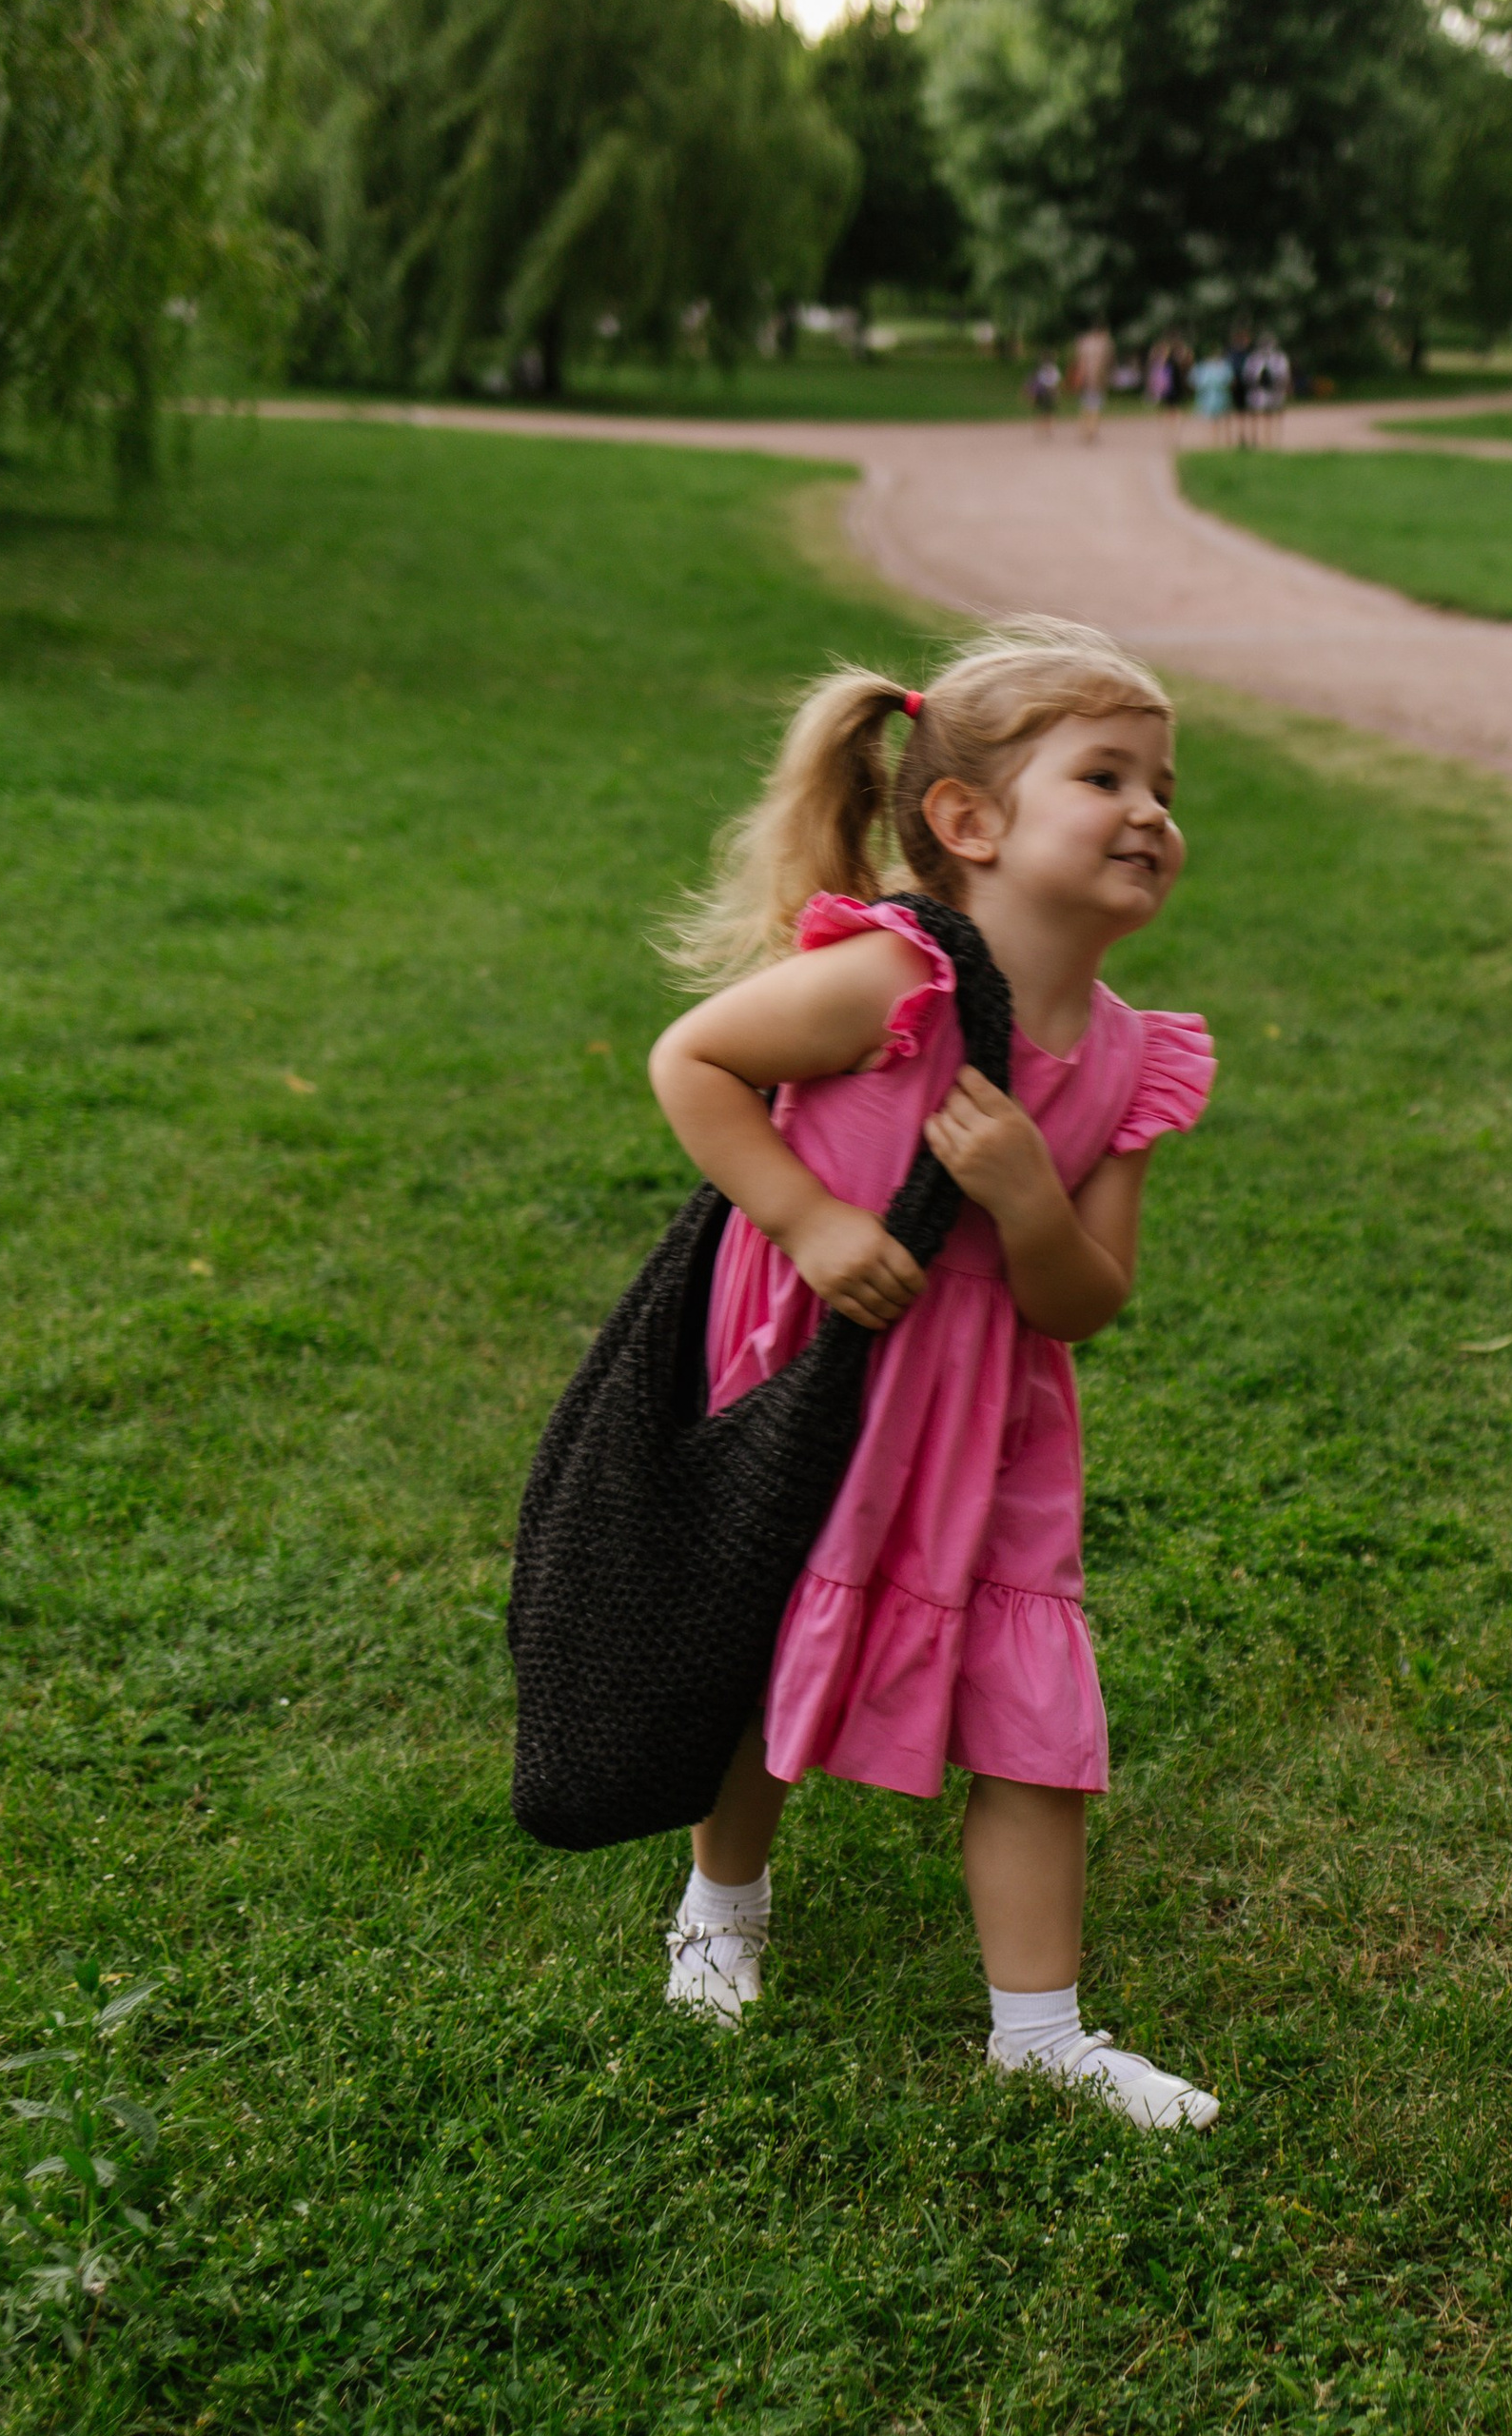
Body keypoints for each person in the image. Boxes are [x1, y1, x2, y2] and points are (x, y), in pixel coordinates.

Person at [646, 620, 1221, 2133]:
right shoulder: (885, 980)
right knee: (769, 1654)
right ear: (969, 824)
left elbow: (1084, 1299)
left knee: (1037, 1714)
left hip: (992, 1427)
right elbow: (694, 1061)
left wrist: (1031, 1194)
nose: (1155, 811)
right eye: (1107, 776)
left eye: (1166, 784)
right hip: (831, 1384)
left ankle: (1041, 2031)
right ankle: (722, 1909)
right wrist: (812, 1219)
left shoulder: (1126, 1057)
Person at [1070, 321, 1114, 443]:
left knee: (1085, 405)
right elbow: (1108, 362)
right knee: (1096, 406)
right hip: (1097, 380)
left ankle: (1085, 430)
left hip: (1084, 379)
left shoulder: (1083, 342)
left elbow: (1078, 360)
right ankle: (1092, 431)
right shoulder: (1104, 344)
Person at [1188, 344, 1233, 446]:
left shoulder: (1223, 366)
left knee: (1223, 417)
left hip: (1220, 396)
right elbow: (1195, 381)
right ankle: (1214, 439)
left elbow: (1229, 380)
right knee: (1212, 418)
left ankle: (1223, 439)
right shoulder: (1202, 367)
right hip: (1208, 396)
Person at [1024, 354, 1061, 437]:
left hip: (1042, 392)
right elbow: (1054, 382)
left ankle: (1041, 428)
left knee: (1043, 411)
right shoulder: (1052, 369)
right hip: (1047, 392)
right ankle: (1047, 429)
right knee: (1048, 412)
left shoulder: (1041, 369)